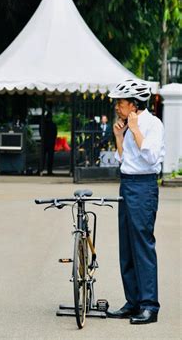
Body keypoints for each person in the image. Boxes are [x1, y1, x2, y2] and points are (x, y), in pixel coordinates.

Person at [106, 78, 165, 325]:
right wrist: (120, 137)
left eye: (120, 103)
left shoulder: (152, 124)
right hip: (127, 183)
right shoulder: (127, 126)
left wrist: (136, 129)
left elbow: (150, 158)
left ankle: (149, 306)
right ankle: (133, 302)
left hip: (143, 187)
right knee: (127, 247)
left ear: (134, 104)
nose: (117, 107)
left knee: (142, 245)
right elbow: (126, 160)